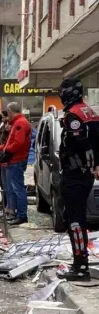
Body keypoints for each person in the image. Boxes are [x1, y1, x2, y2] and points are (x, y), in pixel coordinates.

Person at [55, 77, 99, 281]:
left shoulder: (73, 115)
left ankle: (80, 267)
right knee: (75, 219)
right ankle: (80, 264)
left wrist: (87, 166)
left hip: (76, 175)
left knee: (74, 221)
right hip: (84, 174)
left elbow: (83, 145)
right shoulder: (90, 112)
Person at [0, 102, 32, 225]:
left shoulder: (20, 123)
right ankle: (20, 214)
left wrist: (6, 150)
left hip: (16, 160)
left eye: (8, 113)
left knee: (17, 189)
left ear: (10, 111)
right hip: (15, 159)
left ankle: (22, 215)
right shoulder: (18, 123)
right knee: (15, 188)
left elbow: (18, 143)